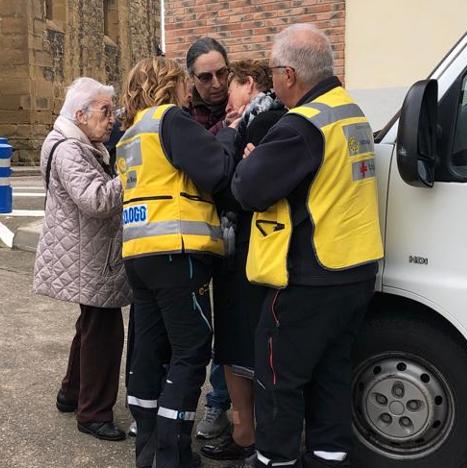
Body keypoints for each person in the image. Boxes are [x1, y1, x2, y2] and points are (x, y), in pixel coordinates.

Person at [231, 24, 384, 468]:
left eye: (273, 71)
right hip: (354, 271)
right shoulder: (351, 112)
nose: (272, 81)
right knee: (332, 376)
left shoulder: (301, 125)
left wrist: (250, 162)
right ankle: (328, 457)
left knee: (280, 381)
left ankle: (273, 460)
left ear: (291, 74)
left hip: (307, 278)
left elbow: (247, 189)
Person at [117, 56, 239, 468]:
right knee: (190, 352)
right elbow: (218, 171)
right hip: (179, 254)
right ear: (170, 84)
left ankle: (148, 451)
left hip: (140, 256)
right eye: (186, 82)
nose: (192, 91)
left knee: (149, 351)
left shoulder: (130, 134)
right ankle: (172, 457)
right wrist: (231, 135)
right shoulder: (170, 120)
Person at [33, 77, 131, 441]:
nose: (112, 120)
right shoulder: (70, 149)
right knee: (103, 333)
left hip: (85, 253)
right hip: (88, 255)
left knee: (91, 327)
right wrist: (131, 174)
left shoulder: (73, 142)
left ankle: (72, 393)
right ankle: (93, 413)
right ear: (80, 114)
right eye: (105, 112)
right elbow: (96, 200)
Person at [199, 60, 285, 467]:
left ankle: (246, 434)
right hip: (260, 253)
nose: (225, 98)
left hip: (250, 253)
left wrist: (234, 139)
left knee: (239, 349)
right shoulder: (274, 119)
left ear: (248, 84)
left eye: (230, 86)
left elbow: (230, 187)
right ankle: (248, 432)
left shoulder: (261, 122)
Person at [184, 36, 233, 441]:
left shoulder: (252, 100)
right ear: (191, 79)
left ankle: (219, 403)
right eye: (206, 77)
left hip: (239, 228)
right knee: (192, 326)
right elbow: (201, 159)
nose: (216, 83)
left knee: (232, 322)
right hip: (194, 229)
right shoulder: (182, 113)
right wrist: (230, 128)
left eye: (222, 73)